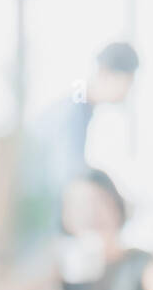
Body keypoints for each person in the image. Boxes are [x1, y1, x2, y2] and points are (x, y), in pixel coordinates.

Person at [13, 42, 140, 258]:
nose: (127, 93)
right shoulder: (73, 112)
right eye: (128, 83)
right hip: (37, 232)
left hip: (36, 227)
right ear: (107, 73)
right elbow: (71, 181)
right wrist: (114, 203)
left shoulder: (76, 108)